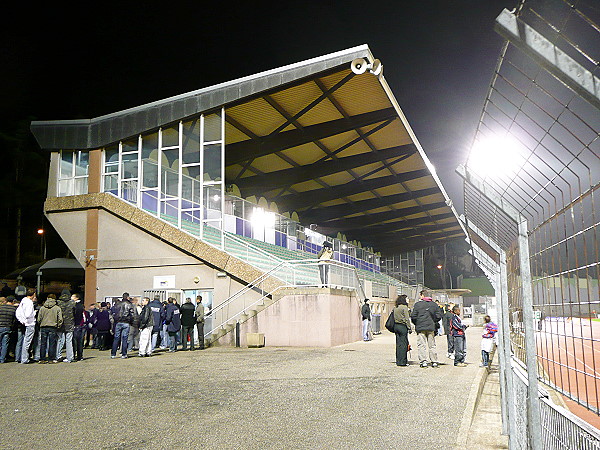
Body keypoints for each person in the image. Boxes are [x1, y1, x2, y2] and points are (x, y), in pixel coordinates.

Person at [410, 290, 442, 368]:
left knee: (421, 345)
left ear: (422, 295)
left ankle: (423, 361)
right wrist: (433, 322)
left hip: (421, 327)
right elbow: (438, 316)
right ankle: (434, 361)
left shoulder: (418, 305)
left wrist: (417, 323)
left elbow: (413, 316)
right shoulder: (434, 305)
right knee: (432, 345)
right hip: (431, 327)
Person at [37, 295, 63, 363]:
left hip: (43, 326)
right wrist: (58, 325)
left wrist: (40, 323)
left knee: (43, 343)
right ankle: (51, 359)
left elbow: (39, 318)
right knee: (52, 343)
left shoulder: (42, 308)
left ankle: (42, 358)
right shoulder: (57, 308)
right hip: (53, 326)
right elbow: (60, 319)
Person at [15, 288, 37, 364]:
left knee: (21, 341)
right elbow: (28, 314)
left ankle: (19, 357)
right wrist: (34, 313)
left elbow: (18, 312)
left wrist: (22, 320)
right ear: (33, 294)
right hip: (30, 323)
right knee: (27, 342)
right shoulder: (30, 303)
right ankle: (24, 358)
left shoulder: (23, 301)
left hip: (23, 323)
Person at [111, 293, 135, 359]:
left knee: (116, 338)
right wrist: (131, 321)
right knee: (125, 338)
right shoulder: (129, 304)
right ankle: (124, 354)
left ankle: (113, 353)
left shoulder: (118, 304)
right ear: (127, 297)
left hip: (118, 322)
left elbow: (114, 313)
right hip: (126, 322)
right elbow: (132, 314)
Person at [393, 294, 412, 366]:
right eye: (407, 299)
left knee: (398, 344)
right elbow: (407, 319)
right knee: (404, 344)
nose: (408, 300)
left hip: (396, 326)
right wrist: (409, 328)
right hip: (403, 326)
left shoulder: (396, 307)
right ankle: (403, 361)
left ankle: (398, 360)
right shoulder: (404, 307)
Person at [57, 292, 76, 363]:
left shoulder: (58, 302)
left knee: (59, 340)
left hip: (60, 324)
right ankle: (70, 357)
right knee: (69, 341)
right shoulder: (72, 303)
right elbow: (75, 312)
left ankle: (58, 355)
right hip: (70, 324)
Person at [0, 296, 17, 363]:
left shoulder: (1, 307)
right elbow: (15, 319)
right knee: (5, 344)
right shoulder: (13, 309)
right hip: (7, 327)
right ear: (13, 301)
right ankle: (2, 359)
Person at [72, 293, 87, 361]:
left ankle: (75, 355)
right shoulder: (81, 305)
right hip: (81, 325)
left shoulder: (76, 306)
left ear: (76, 298)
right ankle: (80, 355)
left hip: (77, 325)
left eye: (73, 296)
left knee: (75, 341)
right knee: (80, 341)